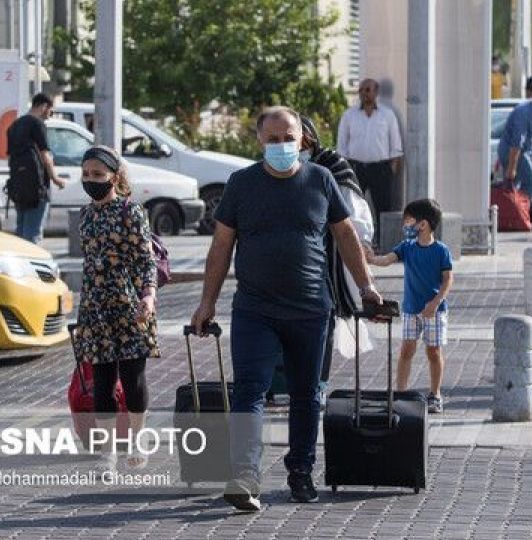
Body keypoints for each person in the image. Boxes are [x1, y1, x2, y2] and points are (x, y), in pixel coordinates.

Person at [191, 106, 382, 512]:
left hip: (312, 310)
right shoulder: (242, 184)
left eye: (288, 138)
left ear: (303, 139)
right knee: (249, 391)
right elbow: (221, 245)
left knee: (307, 395)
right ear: (260, 141)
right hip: (254, 310)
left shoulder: (320, 179)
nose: (281, 145)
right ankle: (245, 475)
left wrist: (367, 286)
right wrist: (207, 302)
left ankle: (301, 473)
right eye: (273, 139)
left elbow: (346, 235)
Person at [73, 145, 158, 472]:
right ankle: (106, 453)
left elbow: (145, 259)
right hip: (96, 308)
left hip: (130, 305)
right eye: (85, 174)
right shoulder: (85, 214)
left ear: (114, 176)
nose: (91, 180)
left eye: (97, 174)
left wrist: (148, 296)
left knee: (133, 379)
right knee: (103, 382)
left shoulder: (130, 212)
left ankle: (137, 440)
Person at [298, 114, 375, 406]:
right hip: (286, 265)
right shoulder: (270, 170)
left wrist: (360, 254)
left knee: (322, 322)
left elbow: (352, 218)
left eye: (296, 138)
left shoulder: (332, 167)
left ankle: (318, 384)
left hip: (326, 259)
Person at [366, 199, 453, 413]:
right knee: (406, 350)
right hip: (410, 309)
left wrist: (435, 303)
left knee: (434, 351)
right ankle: (401, 393)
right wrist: (369, 258)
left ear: (423, 224)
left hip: (434, 311)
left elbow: (448, 280)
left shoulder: (441, 250)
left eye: (409, 220)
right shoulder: (407, 247)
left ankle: (435, 394)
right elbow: (387, 259)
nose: (406, 224)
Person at [337, 78, 403, 247]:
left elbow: (396, 145)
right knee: (352, 205)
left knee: (383, 207)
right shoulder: (349, 115)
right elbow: (342, 145)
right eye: (361, 90)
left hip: (380, 168)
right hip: (355, 167)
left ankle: (383, 243)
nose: (364, 93)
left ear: (376, 92)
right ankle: (355, 243)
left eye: (367, 90)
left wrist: (391, 170)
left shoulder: (387, 115)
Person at [6, 92, 65, 243]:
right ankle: (32, 265)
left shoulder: (14, 125)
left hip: (18, 187)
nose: (51, 114)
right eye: (51, 110)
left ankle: (20, 262)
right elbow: (45, 155)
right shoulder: (37, 124)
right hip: (37, 187)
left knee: (22, 230)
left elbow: (10, 156)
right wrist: (55, 178)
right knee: (33, 233)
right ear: (44, 106)